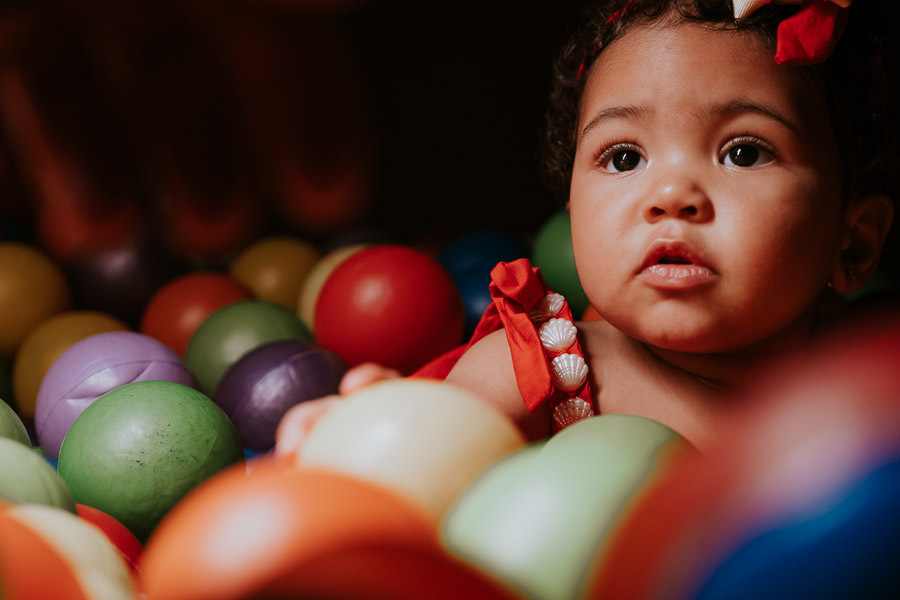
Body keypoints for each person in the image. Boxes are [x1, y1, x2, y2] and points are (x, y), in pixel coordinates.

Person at [277, 0, 897, 454]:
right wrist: (364, 438)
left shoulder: (869, 386)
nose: (671, 195)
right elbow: (420, 459)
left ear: (856, 241)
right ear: (573, 214)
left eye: (743, 152)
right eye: (624, 157)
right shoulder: (542, 372)